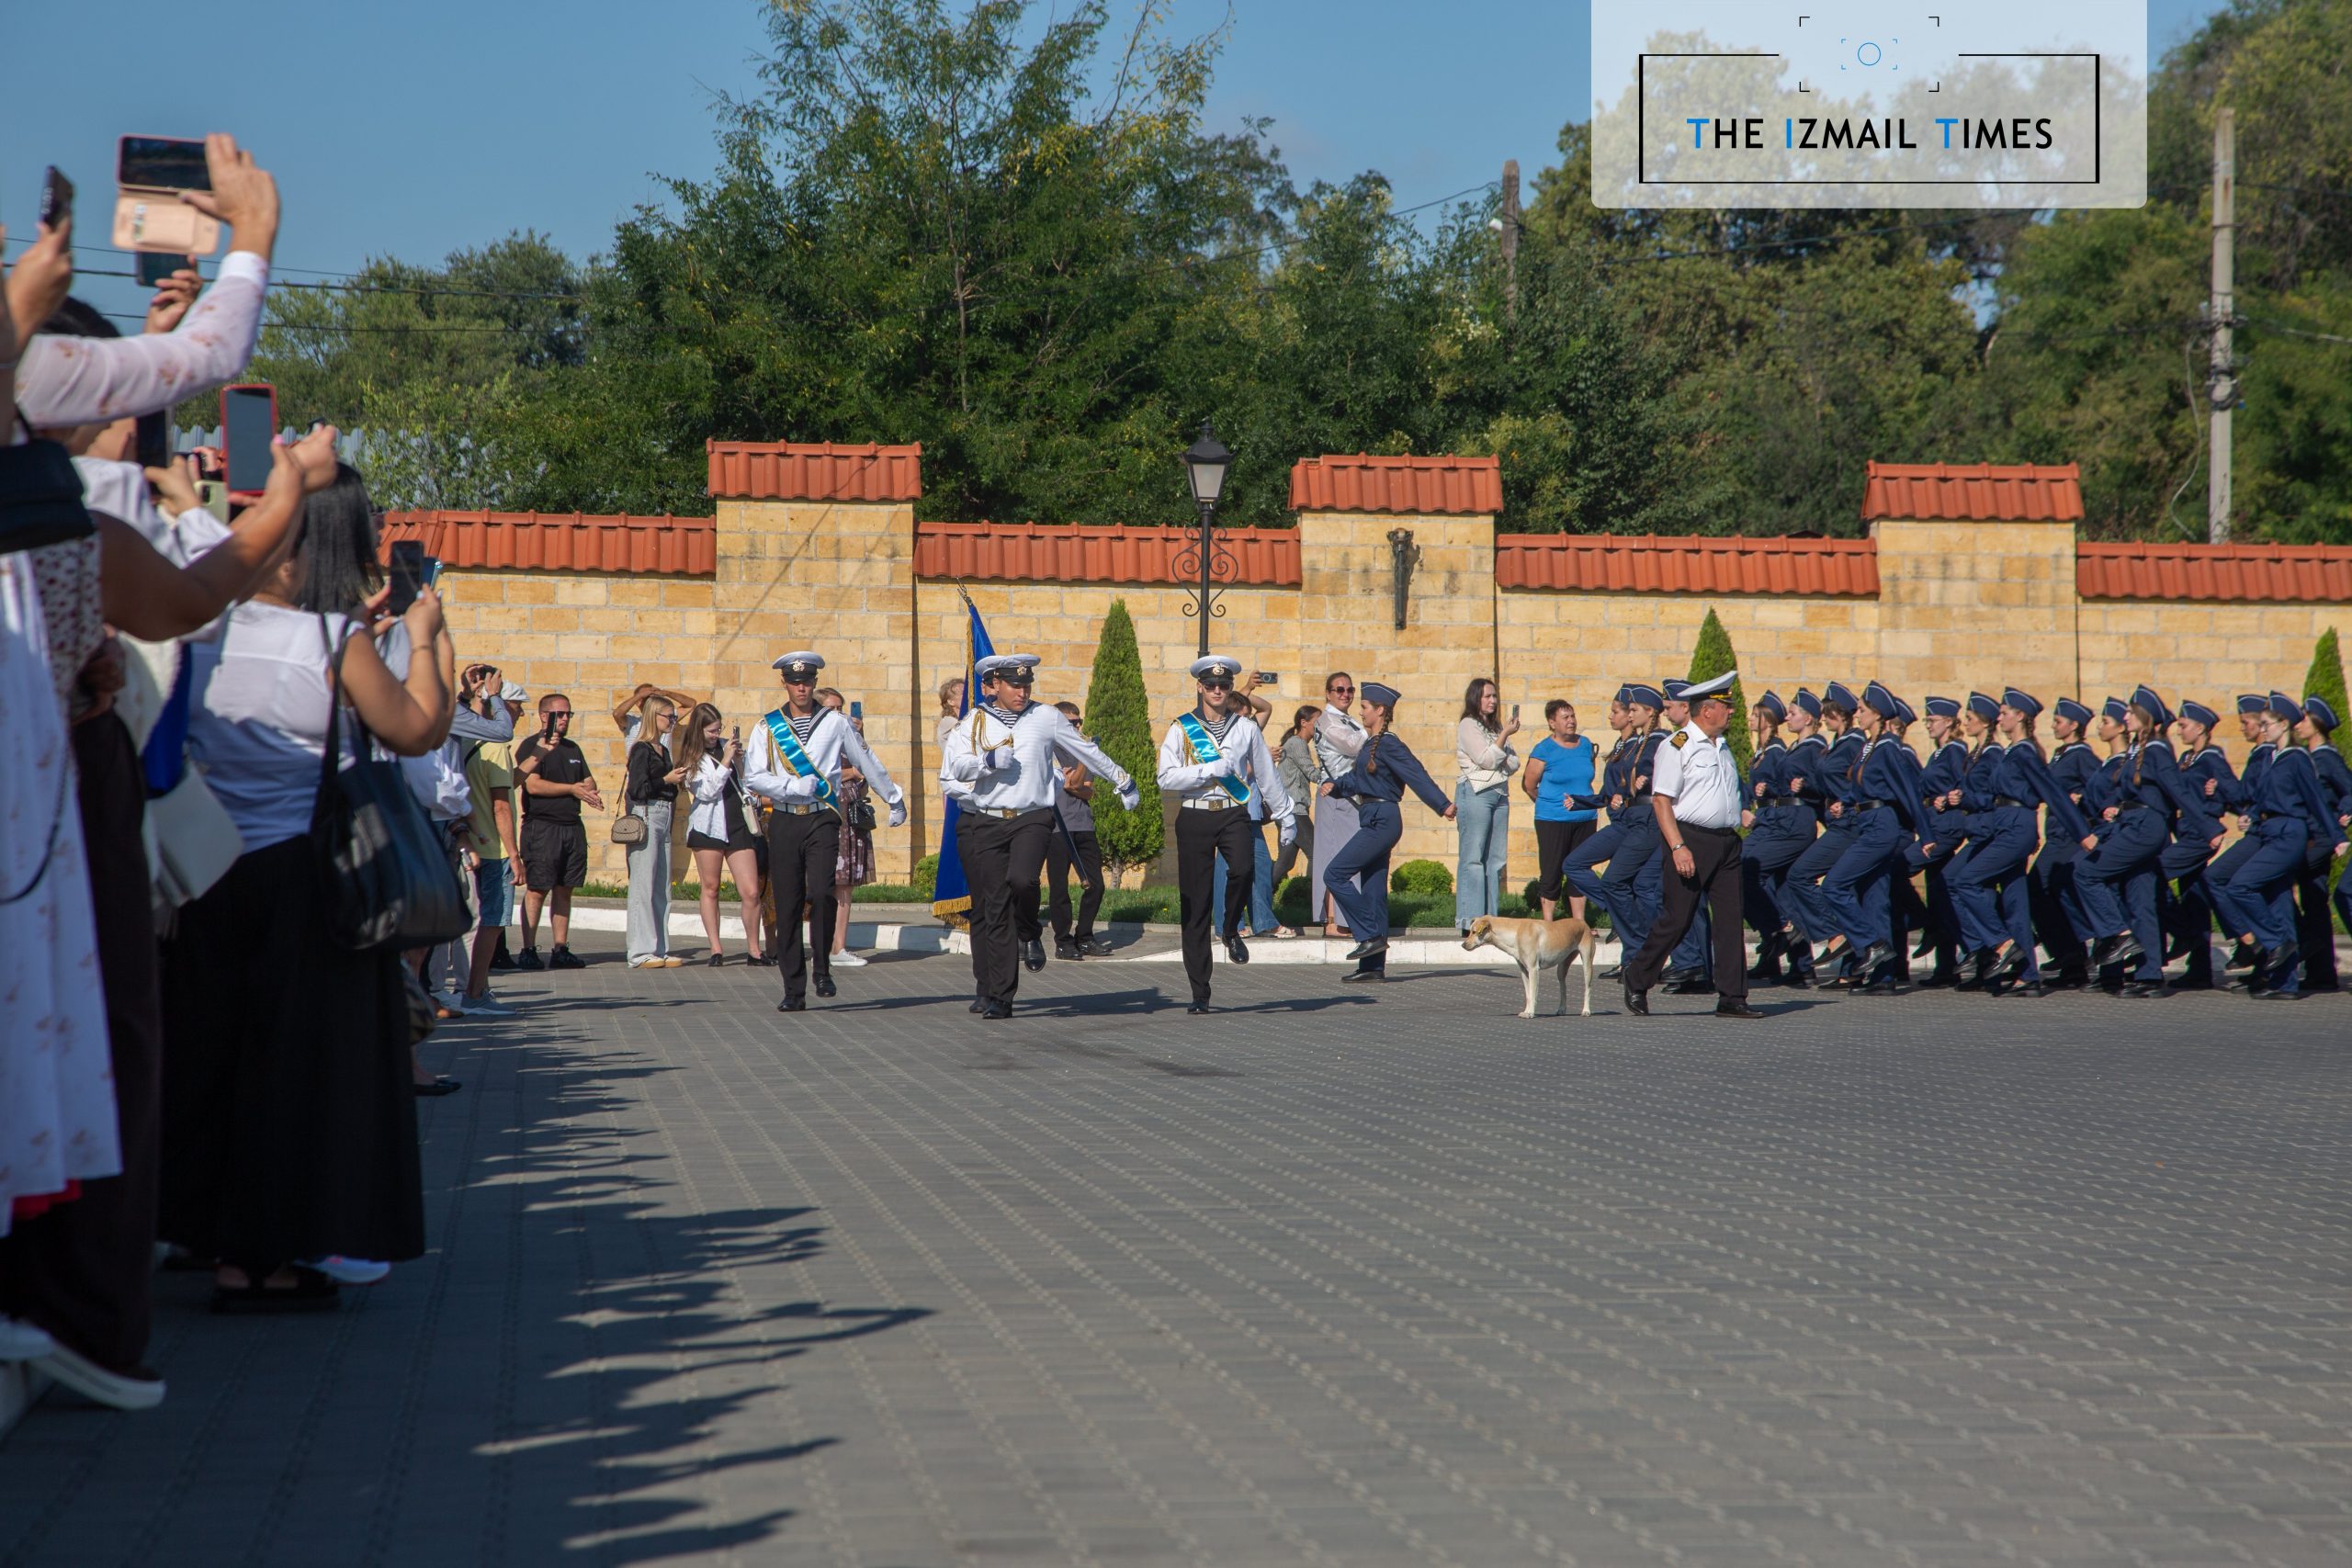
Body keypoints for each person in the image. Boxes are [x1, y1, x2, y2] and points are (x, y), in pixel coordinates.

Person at [159, 461, 452, 1317]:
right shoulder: (331, 642)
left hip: (205, 872)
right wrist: (427, 637)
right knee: (300, 1068)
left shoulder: (197, 630)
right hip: (304, 877)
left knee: (217, 1059)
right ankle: (287, 1251)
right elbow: (417, 728)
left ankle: (223, 1251)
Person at [943, 653, 1136, 1018]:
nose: (1022, 692)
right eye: (1015, 685)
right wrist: (986, 762)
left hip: (1032, 817)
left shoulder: (1046, 717)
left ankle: (1030, 929)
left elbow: (1085, 750)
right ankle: (1001, 996)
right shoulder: (975, 720)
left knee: (1023, 880)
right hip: (988, 821)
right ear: (996, 685)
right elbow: (956, 767)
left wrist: (1123, 780)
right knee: (996, 907)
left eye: (1026, 685)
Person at [744, 653, 907, 1010]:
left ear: (815, 683)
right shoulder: (767, 727)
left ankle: (822, 968)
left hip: (823, 818)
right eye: (794, 682)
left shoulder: (835, 722)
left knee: (820, 892)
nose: (801, 688)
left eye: (807, 681)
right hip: (785, 819)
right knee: (787, 904)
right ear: (785, 684)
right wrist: (790, 787)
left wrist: (893, 798)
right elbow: (753, 776)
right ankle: (793, 989)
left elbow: (865, 760)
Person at [1157, 655, 1295, 1013]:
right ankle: (1200, 991)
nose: (1217, 690)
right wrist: (1207, 771)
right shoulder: (1181, 728)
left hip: (1233, 811)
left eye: (1224, 685)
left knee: (1244, 870)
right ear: (1200, 687)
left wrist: (1286, 816)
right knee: (1196, 904)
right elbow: (1165, 777)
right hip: (1195, 814)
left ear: (1231, 688)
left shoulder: (1245, 728)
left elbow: (1265, 774)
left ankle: (1231, 928)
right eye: (1211, 685)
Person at [1622, 673, 1759, 1019]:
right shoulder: (1678, 745)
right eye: (1726, 706)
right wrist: (1678, 847)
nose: (1732, 712)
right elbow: (1661, 801)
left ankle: (1732, 997)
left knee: (1730, 920)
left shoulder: (1722, 746)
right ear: (1707, 710)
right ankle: (1638, 978)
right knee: (1678, 918)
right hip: (1690, 839)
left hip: (1726, 842)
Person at [2207, 694, 2343, 998]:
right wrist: (2252, 816)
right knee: (2278, 901)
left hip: (2288, 833)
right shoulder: (2273, 758)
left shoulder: (2297, 758)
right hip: (2270, 830)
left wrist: (2338, 836)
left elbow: (2316, 801)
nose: (2262, 728)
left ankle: (2276, 943)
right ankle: (2285, 983)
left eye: (2266, 724)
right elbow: (2262, 798)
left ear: (2283, 725)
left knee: (2240, 885)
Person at [2074, 686, 2205, 998]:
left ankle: (2118, 935)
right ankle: (2150, 975)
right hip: (2131, 823)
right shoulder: (2137, 750)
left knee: (2086, 872)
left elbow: (2176, 791)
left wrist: (2207, 827)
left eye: (2131, 713)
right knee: (2141, 901)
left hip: (2145, 828)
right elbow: (2134, 793)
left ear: (2144, 717)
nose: (2126, 716)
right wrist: (2116, 809)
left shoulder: (2157, 749)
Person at [1324, 682, 1456, 984]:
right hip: (1372, 816)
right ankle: (1372, 967)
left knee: (1334, 874)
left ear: (1380, 710)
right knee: (1373, 893)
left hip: (1383, 819)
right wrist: (1335, 787)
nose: (1360, 711)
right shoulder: (1370, 745)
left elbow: (1416, 774)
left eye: (1365, 707)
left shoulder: (1389, 744)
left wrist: (1442, 804)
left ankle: (1369, 934)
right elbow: (1357, 780)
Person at [1813, 682, 1924, 994]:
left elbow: (1909, 793)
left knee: (1834, 885)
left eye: (1861, 710)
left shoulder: (1888, 746)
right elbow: (1861, 786)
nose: (1857, 714)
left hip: (1882, 826)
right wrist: (1845, 802)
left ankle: (1870, 944)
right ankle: (1884, 977)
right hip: (1868, 821)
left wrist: (1927, 833)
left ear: (1876, 714)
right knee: (1876, 901)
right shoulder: (1869, 746)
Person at [1781, 682, 1864, 982]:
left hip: (1851, 823)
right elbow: (1827, 784)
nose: (1824, 718)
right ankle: (1849, 964)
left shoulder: (1854, 742)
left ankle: (1835, 936)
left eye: (1827, 713)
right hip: (1838, 822)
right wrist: (1807, 786)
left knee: (1802, 876)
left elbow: (1864, 780)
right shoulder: (1837, 743)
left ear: (1838, 714)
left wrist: (1848, 801)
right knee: (1838, 888)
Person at [514, 693, 599, 970]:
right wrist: (572, 789)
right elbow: (533, 784)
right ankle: (528, 949)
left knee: (565, 889)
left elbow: (589, 781)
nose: (564, 719)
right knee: (537, 888)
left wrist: (586, 790)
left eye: (568, 714)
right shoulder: (532, 746)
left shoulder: (573, 749)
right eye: (559, 714)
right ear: (543, 716)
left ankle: (560, 948)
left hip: (571, 827)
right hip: (543, 827)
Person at [679, 704, 768, 966]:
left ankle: (754, 950)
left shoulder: (726, 747)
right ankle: (716, 949)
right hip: (708, 827)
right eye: (711, 730)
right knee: (711, 887)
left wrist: (739, 761)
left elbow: (749, 782)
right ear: (699, 730)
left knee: (751, 891)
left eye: (719, 729)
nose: (716, 735)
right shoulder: (691, 757)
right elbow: (706, 792)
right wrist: (727, 761)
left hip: (738, 823)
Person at [457, 677, 523, 1014]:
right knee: (493, 921)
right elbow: (501, 807)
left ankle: (466, 987)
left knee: (472, 921)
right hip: (494, 848)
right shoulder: (497, 748)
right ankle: (475, 991)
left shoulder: (467, 741)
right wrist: (515, 854)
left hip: (470, 842)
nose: (521, 713)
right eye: (517, 707)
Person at [2029, 697, 2105, 987]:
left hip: (2070, 836)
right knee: (2047, 890)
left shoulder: (2081, 755)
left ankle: (2071, 953)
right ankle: (2070, 961)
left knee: (2039, 887)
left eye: (2058, 722)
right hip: (2056, 835)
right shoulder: (2061, 754)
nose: (2053, 726)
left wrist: (2082, 799)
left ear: (2074, 725)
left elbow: (2102, 786)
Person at [2161, 701, 2235, 989]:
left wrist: (2217, 792)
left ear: (2201, 727)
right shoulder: (2187, 758)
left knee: (2153, 872)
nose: (2179, 731)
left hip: (2202, 835)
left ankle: (2184, 933)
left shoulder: (2211, 757)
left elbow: (2234, 792)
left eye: (2183, 726)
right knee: (2195, 899)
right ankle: (2200, 970)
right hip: (2186, 833)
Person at [1907, 695, 1973, 987]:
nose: (1928, 725)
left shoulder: (1955, 751)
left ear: (1948, 722)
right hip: (1935, 826)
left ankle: (1928, 924)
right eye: (1927, 720)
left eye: (1932, 720)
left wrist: (1947, 799)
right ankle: (1945, 968)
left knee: (1899, 867)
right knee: (1940, 892)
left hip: (1946, 828)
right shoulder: (1939, 753)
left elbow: (1966, 786)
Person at [623, 694, 689, 968]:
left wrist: (676, 781)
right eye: (668, 716)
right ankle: (639, 953)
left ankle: (660, 948)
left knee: (662, 885)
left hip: (665, 813)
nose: (673, 721)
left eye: (674, 717)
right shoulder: (641, 749)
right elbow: (637, 789)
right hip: (647, 813)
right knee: (643, 883)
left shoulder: (662, 749)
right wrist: (666, 779)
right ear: (654, 716)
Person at [2291, 695, 2349, 993]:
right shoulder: (2308, 756)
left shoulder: (2326, 758)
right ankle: (2322, 972)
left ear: (2317, 724)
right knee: (2313, 899)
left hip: (2323, 837)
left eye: (2303, 719)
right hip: (2310, 835)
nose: (2297, 725)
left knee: (2278, 878)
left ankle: (2306, 940)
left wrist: (2344, 814)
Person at [1453, 678, 1521, 931]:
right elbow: (1487, 760)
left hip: (1500, 794)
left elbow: (1514, 763)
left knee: (1495, 860)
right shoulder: (1468, 724)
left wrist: (1498, 744)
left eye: (1494, 696)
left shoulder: (1495, 727)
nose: (1493, 701)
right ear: (1476, 698)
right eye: (1487, 696)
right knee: (1473, 858)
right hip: (1476, 792)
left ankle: (1490, 921)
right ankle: (1470, 920)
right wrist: (1504, 737)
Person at [817, 688, 878, 967]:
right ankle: (824, 943)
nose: (839, 714)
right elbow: (815, 773)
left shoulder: (849, 736)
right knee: (826, 881)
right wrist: (850, 773)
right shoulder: (815, 738)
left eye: (840, 708)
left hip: (850, 810)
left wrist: (859, 738)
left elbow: (866, 775)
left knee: (846, 882)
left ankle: (838, 945)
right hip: (827, 810)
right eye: (832, 708)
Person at [1047, 701, 1113, 961]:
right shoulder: (1049, 751)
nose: (1076, 727)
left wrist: (1079, 769)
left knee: (1096, 885)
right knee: (1059, 889)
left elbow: (1085, 790)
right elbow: (1072, 785)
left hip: (1084, 824)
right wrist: (1076, 778)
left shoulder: (1082, 750)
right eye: (1070, 723)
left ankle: (1084, 936)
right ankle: (1063, 941)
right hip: (1056, 827)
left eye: (1078, 722)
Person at [1522, 700, 1597, 923]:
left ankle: (1579, 924)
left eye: (1572, 716)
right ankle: (1548, 924)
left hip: (1585, 819)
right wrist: (1550, 803)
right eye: (1565, 717)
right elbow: (1529, 785)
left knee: (1580, 870)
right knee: (1552, 871)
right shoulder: (1543, 750)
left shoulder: (1586, 745)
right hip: (1552, 820)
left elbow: (1587, 777)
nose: (1571, 721)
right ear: (1552, 722)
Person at [1309, 671, 1368, 939]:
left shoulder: (1349, 720)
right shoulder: (1327, 721)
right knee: (1333, 858)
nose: (1346, 694)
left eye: (1350, 690)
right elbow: (1354, 746)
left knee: (1346, 858)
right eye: (1339, 690)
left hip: (1350, 796)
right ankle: (1332, 921)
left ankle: (1345, 919)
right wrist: (1375, 727)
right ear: (1328, 694)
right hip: (1335, 796)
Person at [1273, 705, 1322, 894]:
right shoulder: (1297, 743)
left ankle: (1259, 898)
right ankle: (1311, 900)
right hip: (1294, 810)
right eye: (1318, 722)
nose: (1321, 727)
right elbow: (1312, 774)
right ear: (1304, 723)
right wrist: (1336, 771)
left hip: (1289, 809)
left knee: (1286, 861)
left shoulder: (1297, 743)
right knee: (1316, 853)